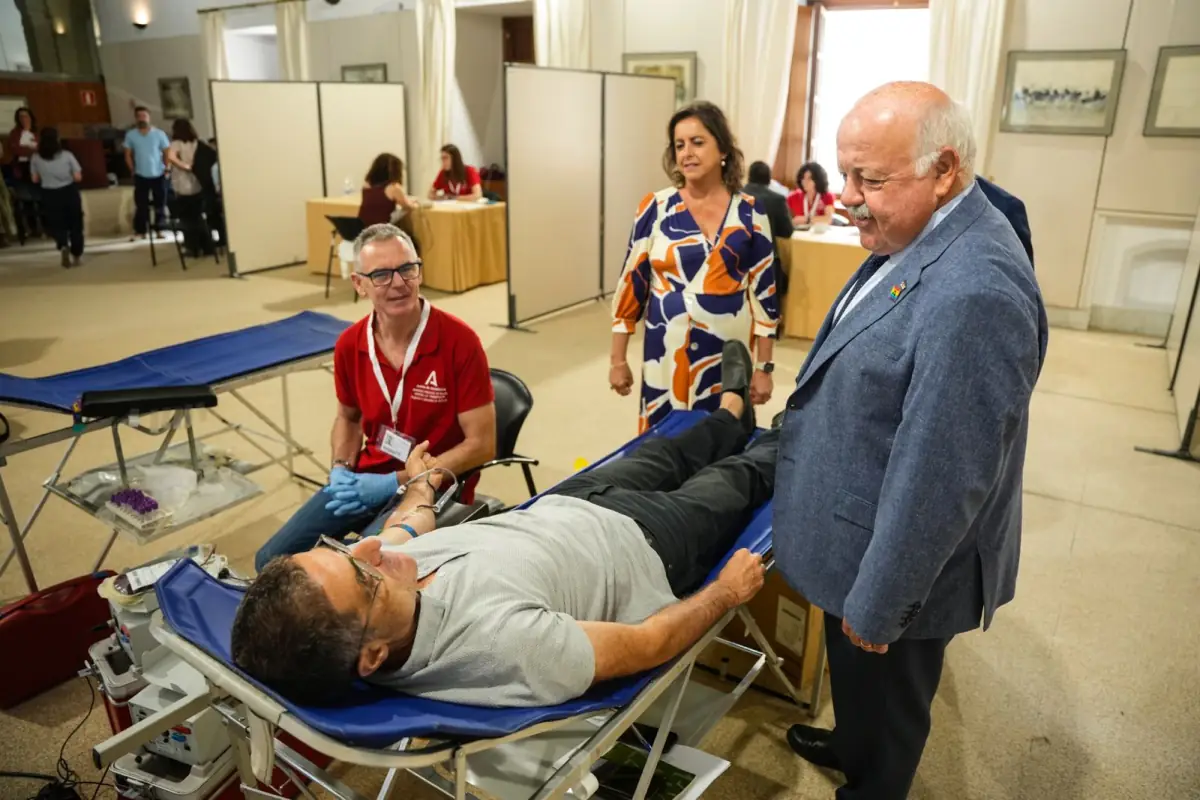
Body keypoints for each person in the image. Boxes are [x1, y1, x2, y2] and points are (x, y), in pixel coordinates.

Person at [232, 343, 772, 707]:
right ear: (372, 657)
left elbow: (405, 525)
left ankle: (730, 411)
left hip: (568, 502)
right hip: (646, 542)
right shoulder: (503, 648)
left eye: (349, 550)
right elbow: (650, 641)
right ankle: (800, 427)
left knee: (677, 448)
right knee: (741, 476)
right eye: (364, 575)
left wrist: (423, 485)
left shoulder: (382, 583)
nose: (372, 548)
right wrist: (724, 594)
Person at [772, 82, 1047, 799]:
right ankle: (849, 740)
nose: (848, 196)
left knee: (890, 694)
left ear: (945, 168)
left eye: (870, 179)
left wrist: (883, 600)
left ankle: (873, 783)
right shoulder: (918, 225)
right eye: (844, 174)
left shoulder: (975, 294)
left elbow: (943, 474)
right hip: (855, 532)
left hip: (898, 563)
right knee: (857, 682)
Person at [254, 223, 497, 572]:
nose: (398, 283)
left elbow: (482, 444)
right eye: (381, 274)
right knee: (270, 560)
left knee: (357, 573)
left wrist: (395, 482)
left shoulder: (460, 341)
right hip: (365, 478)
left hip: (436, 484)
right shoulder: (350, 345)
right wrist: (340, 469)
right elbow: (348, 418)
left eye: (406, 269)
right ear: (359, 284)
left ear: (419, 270)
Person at [610, 101, 779, 434]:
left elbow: (765, 297)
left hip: (727, 355)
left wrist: (764, 367)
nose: (686, 152)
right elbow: (631, 286)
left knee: (721, 445)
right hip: (665, 355)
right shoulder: (655, 207)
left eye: (697, 142)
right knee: (662, 449)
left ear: (723, 150)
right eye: (679, 145)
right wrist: (618, 359)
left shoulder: (749, 211)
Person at [29, 128, 84, 268]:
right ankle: (77, 254)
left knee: (57, 224)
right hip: (68, 191)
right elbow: (78, 177)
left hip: (49, 193)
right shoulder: (67, 155)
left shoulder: (35, 157)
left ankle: (63, 245)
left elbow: (35, 179)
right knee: (75, 223)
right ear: (57, 139)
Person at [165, 118, 211, 257]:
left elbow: (171, 157)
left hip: (182, 184)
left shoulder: (176, 144)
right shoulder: (197, 143)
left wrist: (183, 166)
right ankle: (207, 246)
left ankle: (192, 246)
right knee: (198, 217)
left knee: (186, 218)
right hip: (197, 183)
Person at [123, 106, 170, 239]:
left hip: (159, 173)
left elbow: (167, 151)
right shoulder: (131, 135)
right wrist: (131, 169)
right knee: (141, 204)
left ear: (149, 117)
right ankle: (140, 231)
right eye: (139, 116)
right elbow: (127, 154)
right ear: (136, 118)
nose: (142, 118)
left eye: (144, 116)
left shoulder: (159, 134)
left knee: (160, 204)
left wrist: (167, 167)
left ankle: (160, 229)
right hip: (140, 174)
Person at [743, 160, 794, 262]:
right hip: (766, 260)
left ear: (749, 177)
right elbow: (787, 232)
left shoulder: (732, 195)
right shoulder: (777, 199)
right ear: (769, 179)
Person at [7, 106, 41, 239]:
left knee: (39, 197)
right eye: (20, 116)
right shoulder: (15, 134)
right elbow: (15, 150)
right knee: (26, 199)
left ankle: (43, 227)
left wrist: (26, 149)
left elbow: (40, 149)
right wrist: (30, 150)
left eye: (25, 116)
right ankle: (31, 229)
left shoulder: (36, 133)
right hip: (21, 168)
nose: (23, 119)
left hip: (38, 167)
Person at [358, 153, 418, 226]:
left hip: (364, 230)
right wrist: (415, 204)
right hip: (382, 230)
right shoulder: (394, 187)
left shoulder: (366, 186)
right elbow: (407, 206)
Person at [786, 162, 835, 227]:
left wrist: (806, 219)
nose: (805, 182)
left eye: (809, 179)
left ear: (818, 180)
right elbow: (786, 220)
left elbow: (828, 219)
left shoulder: (827, 196)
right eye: (803, 178)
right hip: (799, 234)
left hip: (819, 234)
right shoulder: (792, 197)